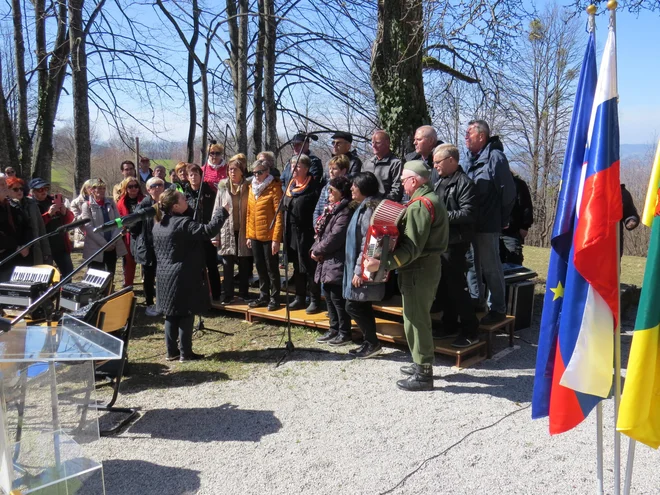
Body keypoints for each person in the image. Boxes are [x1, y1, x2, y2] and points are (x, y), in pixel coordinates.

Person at [364, 161, 449, 391]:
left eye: (403, 180)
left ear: (414, 180)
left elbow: (412, 248)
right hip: (423, 268)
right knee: (415, 317)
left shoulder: (421, 205)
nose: (402, 185)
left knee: (416, 319)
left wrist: (383, 265)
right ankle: (420, 362)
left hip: (418, 269)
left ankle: (423, 373)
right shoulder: (430, 199)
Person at [152, 189, 228, 361]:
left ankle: (172, 352)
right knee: (187, 313)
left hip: (164, 274)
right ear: (176, 206)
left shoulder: (158, 222)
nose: (186, 200)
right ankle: (186, 353)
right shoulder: (183, 223)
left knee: (171, 314)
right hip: (182, 275)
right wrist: (222, 213)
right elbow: (207, 231)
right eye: (183, 199)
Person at [463, 120, 516, 324]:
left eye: (469, 133)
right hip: (470, 224)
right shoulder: (467, 159)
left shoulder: (495, 157)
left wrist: (502, 218)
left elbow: (509, 193)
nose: (466, 137)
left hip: (488, 224)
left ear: (481, 136)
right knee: (471, 265)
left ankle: (498, 309)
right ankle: (477, 302)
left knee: (491, 267)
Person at [432, 144, 480, 348]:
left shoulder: (465, 183)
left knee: (457, 287)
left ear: (451, 160)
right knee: (443, 286)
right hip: (440, 241)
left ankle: (471, 330)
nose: (435, 166)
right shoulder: (439, 181)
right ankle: (449, 325)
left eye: (438, 162)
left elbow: (468, 213)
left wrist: (440, 216)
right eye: (433, 162)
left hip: (456, 242)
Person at [342, 172, 385, 357]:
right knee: (361, 305)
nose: (351, 188)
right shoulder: (365, 206)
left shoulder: (369, 210)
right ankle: (370, 342)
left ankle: (372, 343)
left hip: (366, 268)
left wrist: (359, 271)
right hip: (362, 266)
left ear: (364, 188)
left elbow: (368, 244)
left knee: (353, 306)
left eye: (355, 185)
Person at [311, 176, 354, 345]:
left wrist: (318, 249)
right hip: (326, 259)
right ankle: (333, 329)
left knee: (337, 298)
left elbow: (335, 237)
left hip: (338, 259)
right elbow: (322, 235)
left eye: (332, 190)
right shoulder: (331, 209)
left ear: (341, 193)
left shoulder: (345, 211)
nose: (328, 193)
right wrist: (314, 249)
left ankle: (345, 332)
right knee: (327, 295)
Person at [282, 154, 321, 313]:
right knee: (297, 266)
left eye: (298, 166)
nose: (294, 168)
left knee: (309, 266)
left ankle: (314, 299)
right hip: (291, 233)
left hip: (306, 233)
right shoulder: (290, 187)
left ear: (306, 168)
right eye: (292, 165)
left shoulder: (313, 189)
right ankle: (299, 297)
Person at [214, 154, 253, 303]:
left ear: (242, 171)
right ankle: (228, 294)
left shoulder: (248, 187)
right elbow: (216, 210)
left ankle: (244, 293)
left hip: (244, 230)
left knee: (244, 264)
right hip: (226, 231)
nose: (232, 172)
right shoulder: (223, 187)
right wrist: (214, 235)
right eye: (230, 169)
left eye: (235, 169)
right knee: (227, 264)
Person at [246, 159, 283, 311]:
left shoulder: (274, 188)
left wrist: (276, 239)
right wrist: (248, 235)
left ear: (267, 172)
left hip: (269, 236)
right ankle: (263, 296)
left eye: (259, 172)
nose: (256, 176)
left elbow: (279, 215)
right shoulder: (251, 188)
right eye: (254, 173)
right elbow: (249, 213)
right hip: (255, 235)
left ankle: (275, 298)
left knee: (272, 268)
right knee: (260, 267)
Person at [185, 163, 222, 301]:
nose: (193, 177)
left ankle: (216, 294)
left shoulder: (209, 192)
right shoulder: (185, 195)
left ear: (201, 176)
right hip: (193, 235)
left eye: (196, 174)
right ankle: (200, 294)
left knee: (211, 265)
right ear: (188, 177)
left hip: (206, 233)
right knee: (196, 267)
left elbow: (214, 212)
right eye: (191, 175)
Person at [81, 178, 127, 279]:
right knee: (95, 277)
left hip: (112, 245)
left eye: (103, 188)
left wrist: (113, 241)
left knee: (110, 275)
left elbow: (119, 222)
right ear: (92, 190)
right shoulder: (86, 206)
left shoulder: (111, 203)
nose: (102, 191)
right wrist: (104, 244)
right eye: (99, 188)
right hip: (96, 247)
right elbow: (89, 228)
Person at [131, 177, 164, 316]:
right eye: (154, 186)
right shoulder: (143, 205)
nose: (157, 188)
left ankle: (163, 302)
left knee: (163, 276)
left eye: (160, 185)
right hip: (148, 246)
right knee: (149, 277)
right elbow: (133, 226)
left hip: (164, 246)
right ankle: (150, 303)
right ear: (148, 190)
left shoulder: (168, 202)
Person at [29, 178, 75, 276]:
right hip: (44, 246)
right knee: (46, 275)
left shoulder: (53, 201)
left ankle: (65, 291)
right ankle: (53, 291)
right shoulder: (31, 205)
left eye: (46, 189)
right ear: (33, 191)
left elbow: (69, 220)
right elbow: (34, 225)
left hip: (60, 244)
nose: (44, 192)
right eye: (40, 190)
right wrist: (48, 214)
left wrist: (64, 212)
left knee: (68, 272)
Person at [7, 177, 51, 265]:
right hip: (16, 251)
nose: (19, 191)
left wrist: (46, 252)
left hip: (34, 248)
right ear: (7, 191)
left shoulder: (31, 204)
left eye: (21, 189)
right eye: (15, 189)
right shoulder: (6, 206)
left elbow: (41, 228)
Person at [0, 174, 32, 279]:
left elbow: (27, 226)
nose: (5, 187)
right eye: (1, 185)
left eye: (5, 184)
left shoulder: (13, 205)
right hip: (4, 259)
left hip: (20, 258)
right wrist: (16, 247)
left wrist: (25, 245)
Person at [116, 177, 145, 288]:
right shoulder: (120, 203)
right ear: (125, 188)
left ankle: (148, 285)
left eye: (136, 186)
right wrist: (121, 227)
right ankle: (128, 286)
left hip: (142, 234)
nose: (133, 189)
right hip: (127, 235)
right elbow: (118, 218)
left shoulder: (144, 200)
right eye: (130, 186)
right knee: (129, 262)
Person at [500, 173, 534, 265]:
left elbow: (526, 206)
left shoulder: (518, 184)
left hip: (512, 231)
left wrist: (525, 226)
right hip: (492, 232)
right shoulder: (490, 183)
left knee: (514, 262)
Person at [362, 130, 403, 202]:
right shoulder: (367, 163)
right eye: (372, 142)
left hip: (384, 207)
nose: (373, 146)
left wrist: (378, 202)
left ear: (387, 143)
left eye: (377, 143)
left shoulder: (396, 164)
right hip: (364, 204)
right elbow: (359, 185)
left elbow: (396, 191)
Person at [313, 155, 349, 225]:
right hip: (320, 226)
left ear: (343, 171)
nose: (331, 171)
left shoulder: (347, 188)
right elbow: (317, 210)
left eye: (334, 169)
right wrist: (316, 224)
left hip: (334, 225)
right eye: (330, 168)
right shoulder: (325, 187)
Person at [620, 184, 640, 256]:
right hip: (589, 241)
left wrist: (631, 220)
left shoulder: (623, 193)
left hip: (614, 243)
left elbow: (630, 213)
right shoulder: (586, 189)